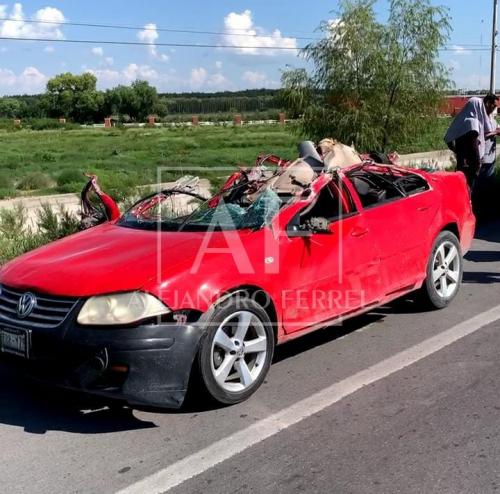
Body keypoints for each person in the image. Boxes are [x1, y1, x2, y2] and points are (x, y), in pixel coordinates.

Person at [444, 96, 495, 189]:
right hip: (470, 164)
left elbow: (449, 138)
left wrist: (458, 151)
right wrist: (477, 164)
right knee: (469, 188)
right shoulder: (473, 122)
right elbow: (474, 145)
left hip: (462, 161)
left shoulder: (463, 120)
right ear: (477, 106)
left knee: (462, 186)